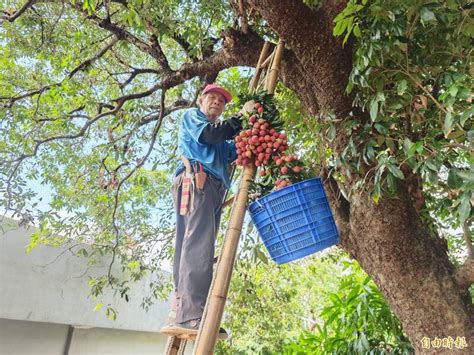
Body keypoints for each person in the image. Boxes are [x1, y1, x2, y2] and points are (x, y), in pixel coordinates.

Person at [161, 84, 253, 337]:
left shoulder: (220, 137)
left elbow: (234, 150)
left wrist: (253, 131)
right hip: (198, 181)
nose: (216, 102)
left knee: (191, 244)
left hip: (210, 187)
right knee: (198, 246)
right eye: (211, 98)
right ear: (201, 101)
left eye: (221, 101)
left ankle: (181, 311)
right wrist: (241, 119)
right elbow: (209, 136)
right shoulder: (193, 117)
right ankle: (191, 316)